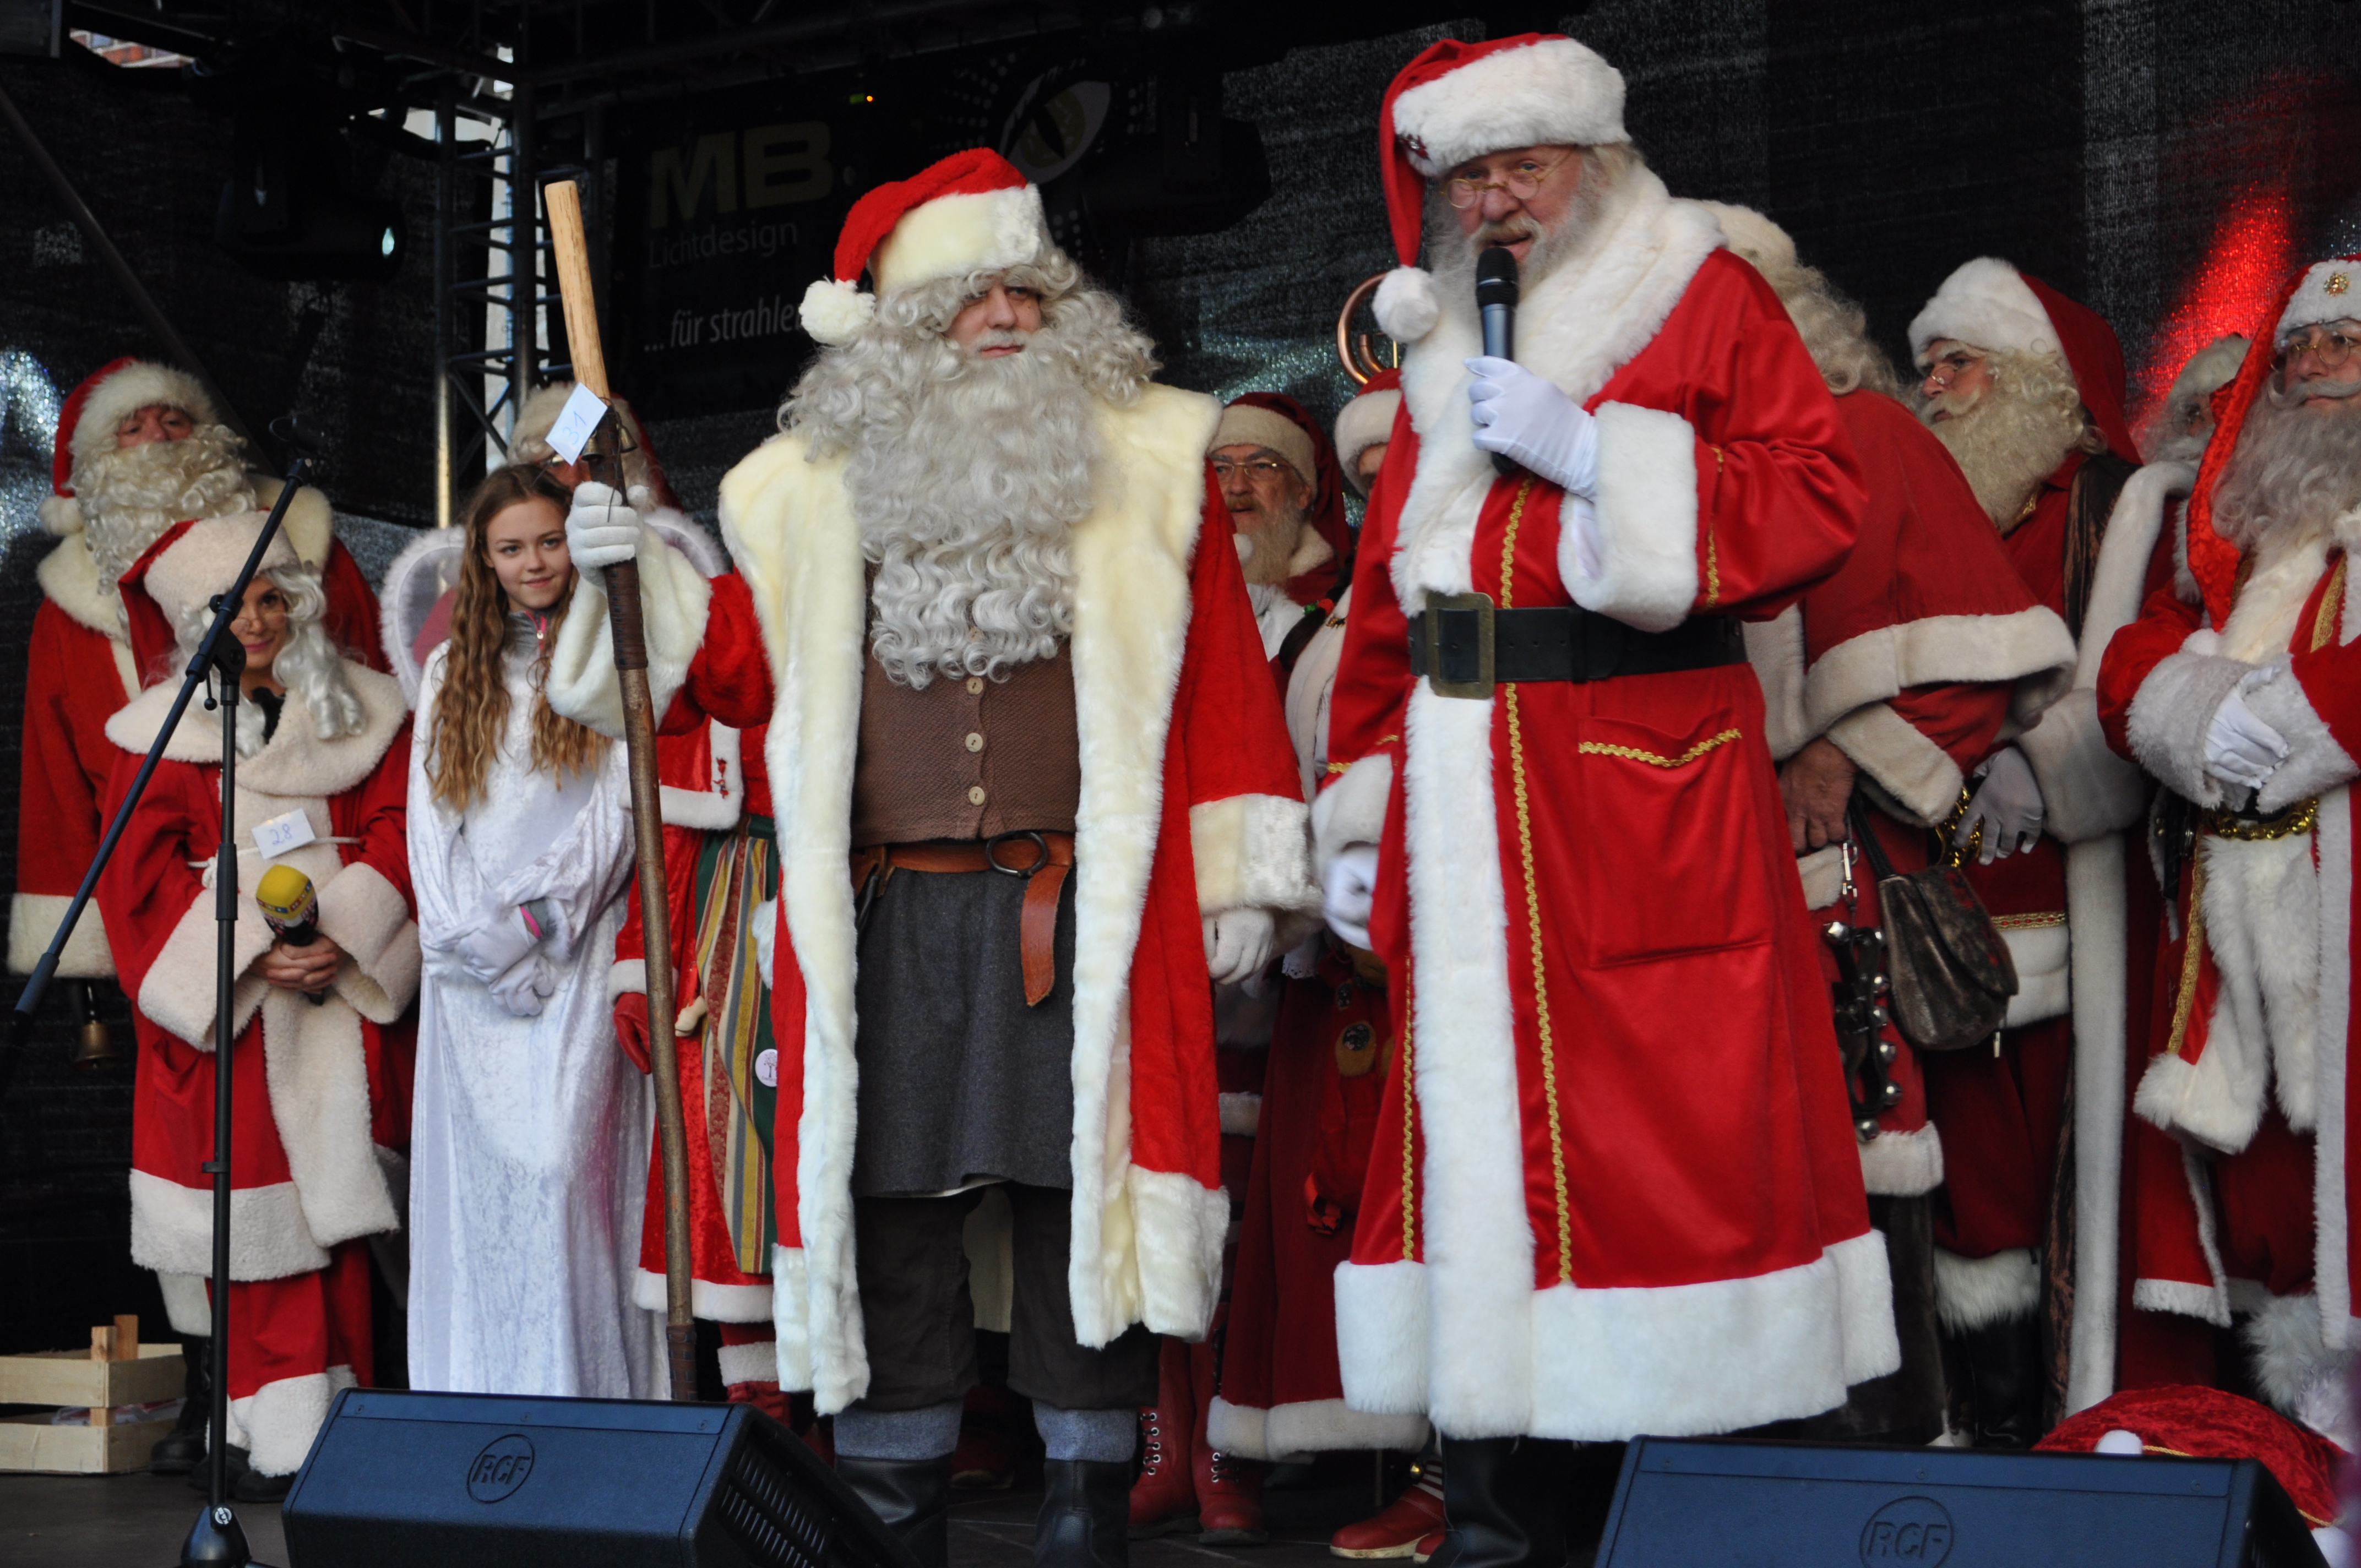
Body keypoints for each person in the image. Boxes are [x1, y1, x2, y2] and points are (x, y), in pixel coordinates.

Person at [550, 148, 1317, 1568]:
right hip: (885, 909)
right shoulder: (796, 498)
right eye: (972, 299)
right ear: (900, 325)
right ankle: (895, 1518)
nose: (1009, 319)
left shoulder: (1151, 470)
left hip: (1080, 901)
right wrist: (631, 567)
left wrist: (1237, 873)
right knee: (887, 1202)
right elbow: (726, 671)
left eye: (1028, 291)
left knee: (1078, 1196)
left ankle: (1083, 1506)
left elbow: (1218, 679)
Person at [1315, 32, 1892, 1561]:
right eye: (1474, 177)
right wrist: (1358, 796)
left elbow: (1821, 493)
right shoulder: (1437, 337)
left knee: (1676, 1133)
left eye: (1527, 165)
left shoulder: (1700, 290)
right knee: (1474, 1131)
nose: (1501, 200)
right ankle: (1503, 1505)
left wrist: (1599, 458)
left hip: (1643, 774)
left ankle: (1714, 1497)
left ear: (1597, 160)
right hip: (1462, 777)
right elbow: (1394, 597)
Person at [1707, 205, 2076, 1444]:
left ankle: (1887, 1447)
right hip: (1697, 869)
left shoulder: (1866, 433)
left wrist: (1836, 748)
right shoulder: (1667, 472)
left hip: (1842, 873)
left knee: (1870, 1150)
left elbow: (1986, 665)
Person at [95, 511, 416, 1500]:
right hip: (229, 1021)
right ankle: (264, 1427)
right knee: (255, 1223)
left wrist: (343, 935)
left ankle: (337, 1423)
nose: (259, 622)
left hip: (340, 1006)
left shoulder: (371, 712)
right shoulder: (151, 739)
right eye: (235, 608)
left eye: (275, 599)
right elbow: (135, 887)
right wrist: (243, 957)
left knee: (337, 1226)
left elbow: (403, 835)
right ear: (200, 624)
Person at [2096, 257, 2361, 1447]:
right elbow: (2124, 664)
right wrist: (2195, 720)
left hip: (2343, 900)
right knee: (2256, 1194)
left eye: (2347, 345)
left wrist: (2300, 720)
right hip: (2225, 914)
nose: (2317, 369)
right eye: (2302, 349)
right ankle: (2292, 1454)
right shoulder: (2228, 536)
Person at [1195, 384, 1438, 1561]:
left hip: (1445, 970)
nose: (1237, 485)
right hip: (1311, 975)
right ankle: (1228, 1453)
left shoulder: (1356, 620)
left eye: (1262, 466)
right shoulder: (1311, 634)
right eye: (1221, 465)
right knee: (1297, 1221)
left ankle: (1449, 1474)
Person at [1907, 259, 2148, 1440]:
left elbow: (2127, 676)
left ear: (2033, 380)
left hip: (2068, 889)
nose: (1935, 388)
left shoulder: (2112, 503)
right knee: (1959, 1170)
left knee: (2062, 1162)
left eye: (1958, 364)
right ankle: (1979, 1415)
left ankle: (2057, 1418)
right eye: (1928, 368)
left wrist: (2031, 755)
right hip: (1931, 889)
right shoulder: (1918, 502)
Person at [403, 464, 656, 1399]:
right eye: (511, 547)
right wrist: (475, 941)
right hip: (472, 980)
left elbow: (621, 810)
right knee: (485, 1199)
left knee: (562, 1179)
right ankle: (481, 1402)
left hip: (577, 953)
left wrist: (538, 923)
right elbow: (433, 824)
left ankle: (584, 1405)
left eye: (549, 540)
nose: (534, 561)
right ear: (484, 560)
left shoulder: (609, 653)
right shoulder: (448, 671)